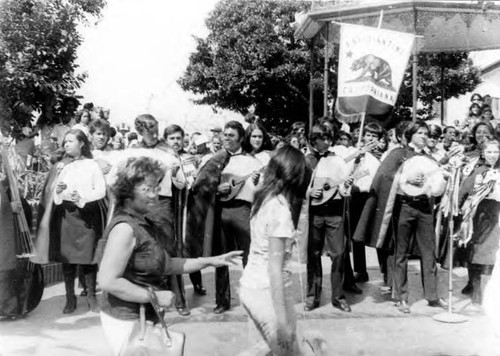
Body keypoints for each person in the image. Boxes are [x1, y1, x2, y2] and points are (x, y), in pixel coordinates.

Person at [97, 156, 242, 356]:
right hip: (125, 317)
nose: (154, 195)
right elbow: (107, 281)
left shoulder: (143, 222)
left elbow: (167, 264)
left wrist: (209, 261)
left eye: (156, 188)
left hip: (145, 313)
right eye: (146, 189)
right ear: (127, 193)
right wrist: (155, 296)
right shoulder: (125, 229)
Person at [239, 145, 328, 355]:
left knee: (266, 349)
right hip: (266, 293)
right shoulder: (280, 211)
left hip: (249, 286)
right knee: (287, 349)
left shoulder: (263, 198)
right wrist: (281, 321)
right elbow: (274, 269)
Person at [355, 121, 448, 313]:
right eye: (420, 133)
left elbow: (436, 186)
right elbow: (383, 177)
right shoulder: (397, 154)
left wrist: (442, 179)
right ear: (410, 135)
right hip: (403, 206)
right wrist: (405, 179)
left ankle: (432, 295)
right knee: (400, 253)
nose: (424, 136)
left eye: (426, 133)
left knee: (429, 252)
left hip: (424, 207)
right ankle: (401, 296)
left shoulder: (431, 157)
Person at [185, 120, 261, 314]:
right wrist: (216, 189)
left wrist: (255, 184)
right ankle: (222, 300)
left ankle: (252, 298)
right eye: (225, 135)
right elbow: (199, 186)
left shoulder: (253, 161)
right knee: (221, 257)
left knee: (248, 256)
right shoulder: (213, 159)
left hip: (243, 210)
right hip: (220, 210)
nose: (226, 139)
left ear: (241, 139)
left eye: (231, 136)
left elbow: (260, 190)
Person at [133, 114, 189, 316]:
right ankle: (147, 299)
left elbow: (182, 183)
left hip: (161, 205)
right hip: (138, 204)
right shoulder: (133, 151)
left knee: (168, 249)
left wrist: (175, 174)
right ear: (140, 131)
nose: (154, 133)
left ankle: (179, 298)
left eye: (156, 128)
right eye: (149, 130)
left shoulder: (168, 151)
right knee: (141, 252)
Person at [50, 129, 107, 313]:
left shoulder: (92, 165)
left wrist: (81, 196)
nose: (66, 144)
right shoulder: (64, 167)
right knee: (68, 259)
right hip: (67, 215)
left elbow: (100, 191)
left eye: (70, 141)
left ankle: (91, 296)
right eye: (64, 141)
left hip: (87, 215)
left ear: (82, 143)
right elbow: (56, 193)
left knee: (88, 258)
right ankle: (70, 298)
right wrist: (59, 190)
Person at [304, 122, 354, 312]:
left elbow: (343, 188)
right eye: (322, 138)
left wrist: (346, 185)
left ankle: (338, 296)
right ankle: (312, 296)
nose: (326, 142)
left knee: (339, 254)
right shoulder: (306, 160)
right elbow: (299, 187)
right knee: (313, 254)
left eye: (328, 138)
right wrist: (310, 192)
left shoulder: (338, 160)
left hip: (334, 213)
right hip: (314, 214)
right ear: (313, 140)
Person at [164, 124, 207, 300]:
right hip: (170, 206)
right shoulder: (163, 158)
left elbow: (196, 181)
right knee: (172, 248)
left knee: (190, 246)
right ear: (166, 140)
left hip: (188, 206)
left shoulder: (190, 158)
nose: (175, 141)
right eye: (172, 138)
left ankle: (197, 282)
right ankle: (175, 290)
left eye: (178, 138)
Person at [457, 139, 500, 311]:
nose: (493, 155)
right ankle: (476, 292)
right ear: (483, 153)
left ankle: (491, 292)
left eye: (496, 152)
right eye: (489, 152)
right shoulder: (478, 171)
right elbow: (463, 191)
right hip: (480, 214)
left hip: (497, 213)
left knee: (492, 253)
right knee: (476, 252)